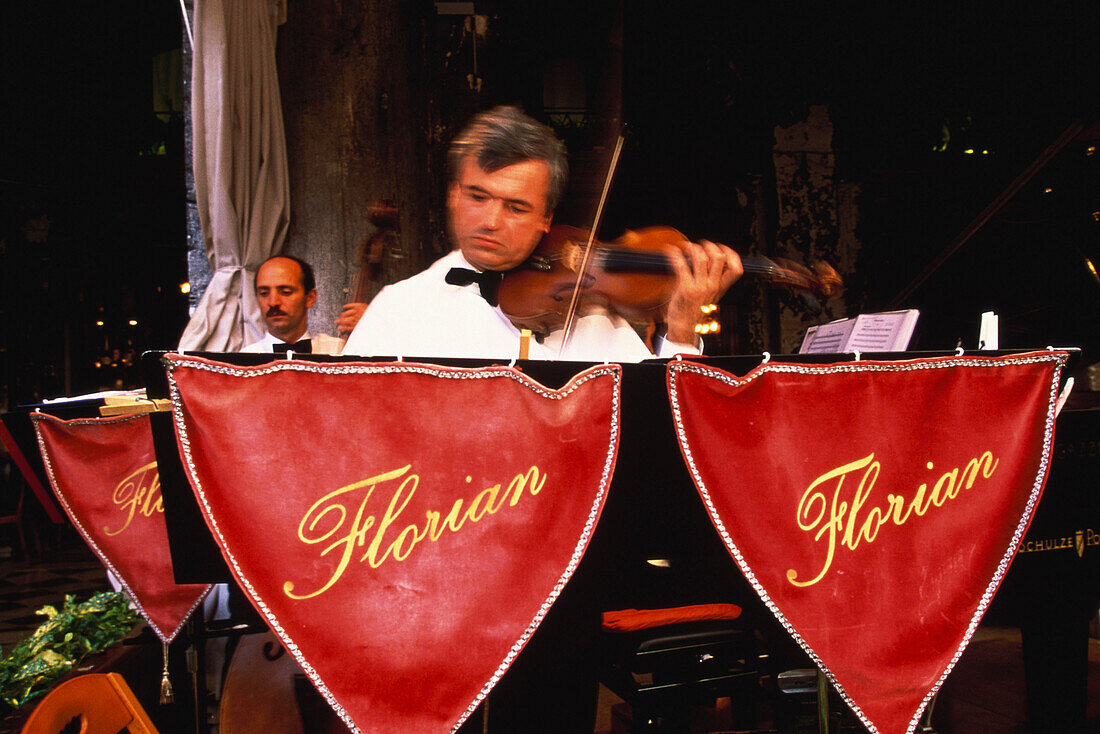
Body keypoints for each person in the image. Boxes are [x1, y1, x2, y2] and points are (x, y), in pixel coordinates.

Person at [342, 106, 743, 361]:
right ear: (452, 194)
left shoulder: (591, 314)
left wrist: (683, 325)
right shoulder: (400, 308)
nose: (491, 221)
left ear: (547, 218)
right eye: (478, 197)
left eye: (516, 207)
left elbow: (664, 419)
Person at [243, 255, 343, 354]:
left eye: (286, 292)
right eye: (264, 293)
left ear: (310, 298)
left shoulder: (339, 351)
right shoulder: (243, 362)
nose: (273, 302)